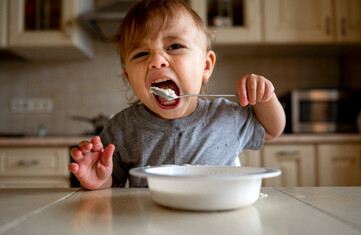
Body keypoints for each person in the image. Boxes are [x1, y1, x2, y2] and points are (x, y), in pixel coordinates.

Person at [68, 0, 286, 189]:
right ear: (129, 77)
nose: (156, 61)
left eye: (174, 46)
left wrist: (266, 97)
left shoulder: (226, 116)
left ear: (206, 66)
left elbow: (272, 130)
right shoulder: (121, 130)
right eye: (141, 53)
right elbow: (111, 183)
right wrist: (99, 181)